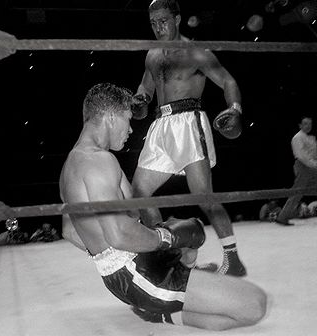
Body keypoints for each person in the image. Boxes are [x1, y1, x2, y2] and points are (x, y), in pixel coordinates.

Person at [59, 82, 266, 330]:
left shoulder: (71, 164)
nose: (130, 129)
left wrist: (108, 258)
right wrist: (165, 238)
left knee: (192, 239)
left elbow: (70, 231)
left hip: (123, 272)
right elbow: (118, 234)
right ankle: (161, 312)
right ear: (111, 117)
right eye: (127, 119)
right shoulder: (100, 162)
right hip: (138, 275)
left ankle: (165, 303)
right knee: (254, 305)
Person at [130, 0, 246, 276]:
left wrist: (234, 109)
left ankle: (233, 259)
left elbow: (227, 81)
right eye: (154, 22)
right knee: (139, 193)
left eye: (164, 21)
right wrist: (139, 102)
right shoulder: (152, 54)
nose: (159, 27)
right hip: (160, 125)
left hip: (188, 122)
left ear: (178, 19)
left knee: (204, 196)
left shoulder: (196, 52)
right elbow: (145, 88)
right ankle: (171, 259)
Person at [276, 116, 317, 225]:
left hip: (312, 166)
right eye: (305, 123)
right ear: (300, 125)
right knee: (297, 192)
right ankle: (282, 217)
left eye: (310, 124)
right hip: (304, 166)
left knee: (300, 191)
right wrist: (315, 164)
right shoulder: (297, 137)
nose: (308, 126)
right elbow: (302, 156)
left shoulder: (311, 138)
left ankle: (282, 216)